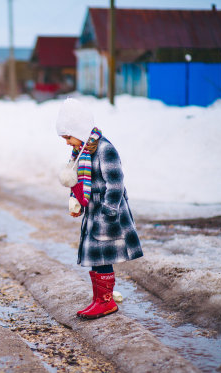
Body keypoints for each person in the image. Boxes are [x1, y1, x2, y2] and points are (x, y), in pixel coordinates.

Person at [56, 98, 143, 319]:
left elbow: (115, 183)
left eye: (68, 136)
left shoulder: (105, 149)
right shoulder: (81, 153)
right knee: (96, 256)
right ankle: (99, 298)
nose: (67, 142)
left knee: (103, 255)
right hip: (94, 210)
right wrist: (76, 201)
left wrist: (108, 212)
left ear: (80, 130)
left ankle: (106, 301)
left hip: (107, 210)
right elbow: (78, 180)